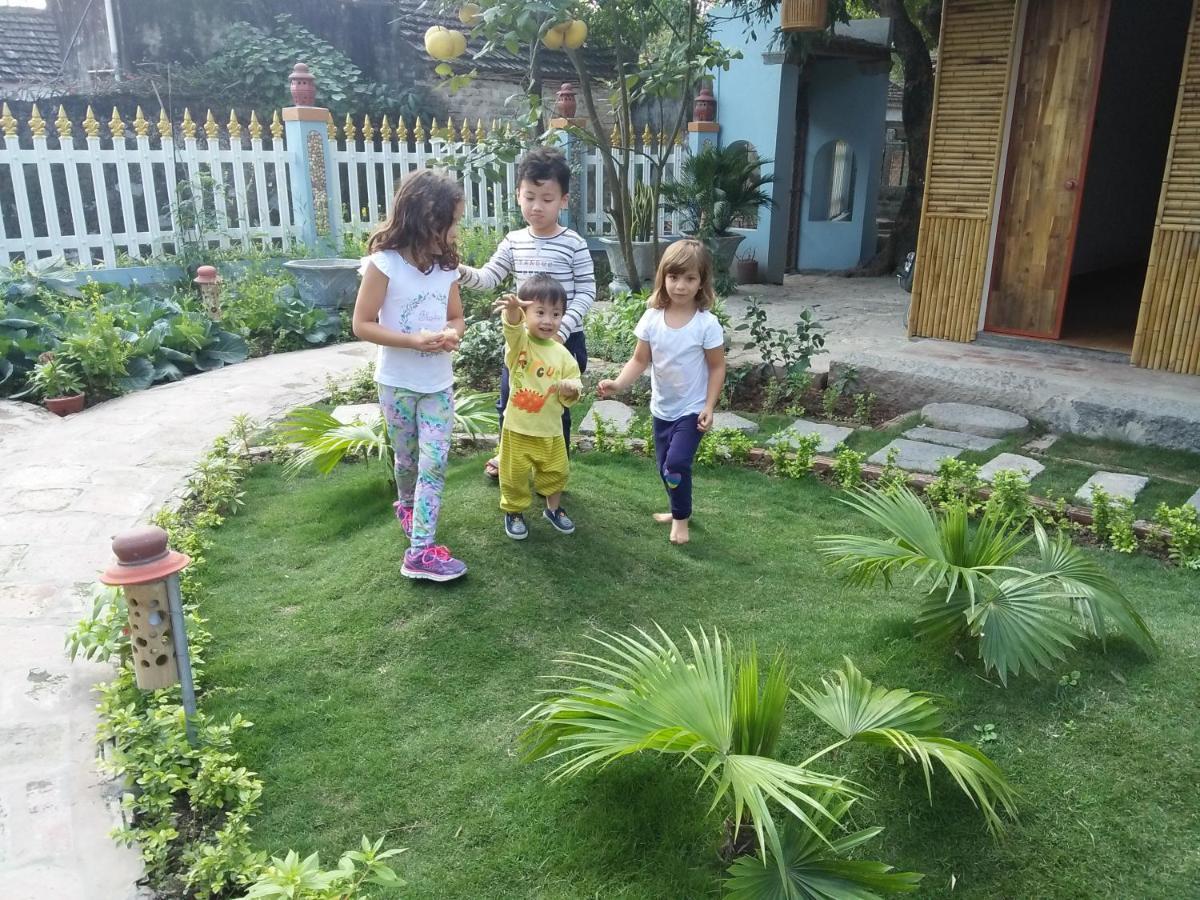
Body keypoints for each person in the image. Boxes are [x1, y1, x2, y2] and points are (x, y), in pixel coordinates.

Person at [352, 169, 468, 582]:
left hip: (438, 386)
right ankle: (405, 505)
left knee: (433, 464)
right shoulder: (384, 265)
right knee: (407, 461)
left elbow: (456, 317)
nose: (456, 231)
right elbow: (362, 324)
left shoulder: (447, 268)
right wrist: (412, 340)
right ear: (427, 219)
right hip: (397, 384)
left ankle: (420, 552)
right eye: (451, 222)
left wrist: (450, 335)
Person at [458, 146, 595, 479]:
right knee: (511, 403)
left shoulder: (574, 243)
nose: (537, 207)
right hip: (522, 347)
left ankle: (554, 471)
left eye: (547, 199)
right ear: (518, 194)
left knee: (557, 408)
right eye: (529, 196)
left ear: (563, 200)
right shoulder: (513, 241)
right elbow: (488, 277)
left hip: (565, 343)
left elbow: (588, 291)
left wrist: (562, 330)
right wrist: (457, 270)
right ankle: (510, 462)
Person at [597, 239, 726, 545]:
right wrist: (617, 384)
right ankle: (678, 508)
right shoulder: (652, 318)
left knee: (676, 464)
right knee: (664, 467)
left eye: (689, 278)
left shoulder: (707, 325)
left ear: (701, 282)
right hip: (662, 409)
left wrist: (709, 406)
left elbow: (718, 367)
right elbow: (640, 359)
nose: (680, 285)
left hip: (691, 409)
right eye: (674, 277)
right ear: (663, 277)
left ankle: (680, 522)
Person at [494, 275, 583, 540]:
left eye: (555, 314)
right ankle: (514, 511)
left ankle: (553, 509)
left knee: (557, 471)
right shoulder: (520, 344)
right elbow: (512, 328)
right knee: (513, 475)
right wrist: (512, 311)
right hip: (517, 428)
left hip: (550, 430)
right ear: (525, 313)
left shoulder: (563, 354)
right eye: (540, 312)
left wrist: (571, 389)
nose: (547, 320)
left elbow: (575, 384)